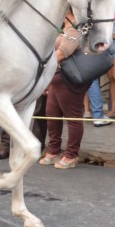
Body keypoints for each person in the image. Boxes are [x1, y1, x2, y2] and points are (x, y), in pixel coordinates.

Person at [39, 9, 93, 170]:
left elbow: (63, 52)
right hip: (57, 77)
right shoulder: (65, 27)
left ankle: (71, 155)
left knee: (73, 117)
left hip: (69, 79)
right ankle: (53, 150)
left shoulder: (76, 27)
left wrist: (41, 68)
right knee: (52, 114)